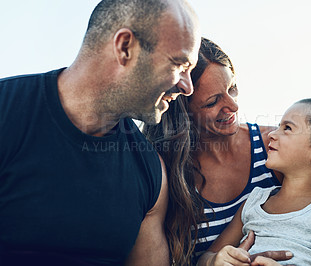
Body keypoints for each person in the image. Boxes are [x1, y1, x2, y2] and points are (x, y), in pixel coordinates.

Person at [0, 0, 200, 265]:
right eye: (180, 65)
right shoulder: (7, 111)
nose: (188, 88)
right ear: (125, 47)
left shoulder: (150, 171)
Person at [143, 38, 291, 265]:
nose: (233, 106)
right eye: (212, 102)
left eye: (232, 88)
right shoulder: (164, 174)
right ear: (183, 113)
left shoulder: (273, 146)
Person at [197, 98, 311, 266]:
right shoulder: (254, 202)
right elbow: (206, 258)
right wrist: (216, 261)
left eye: (287, 128)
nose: (272, 134)